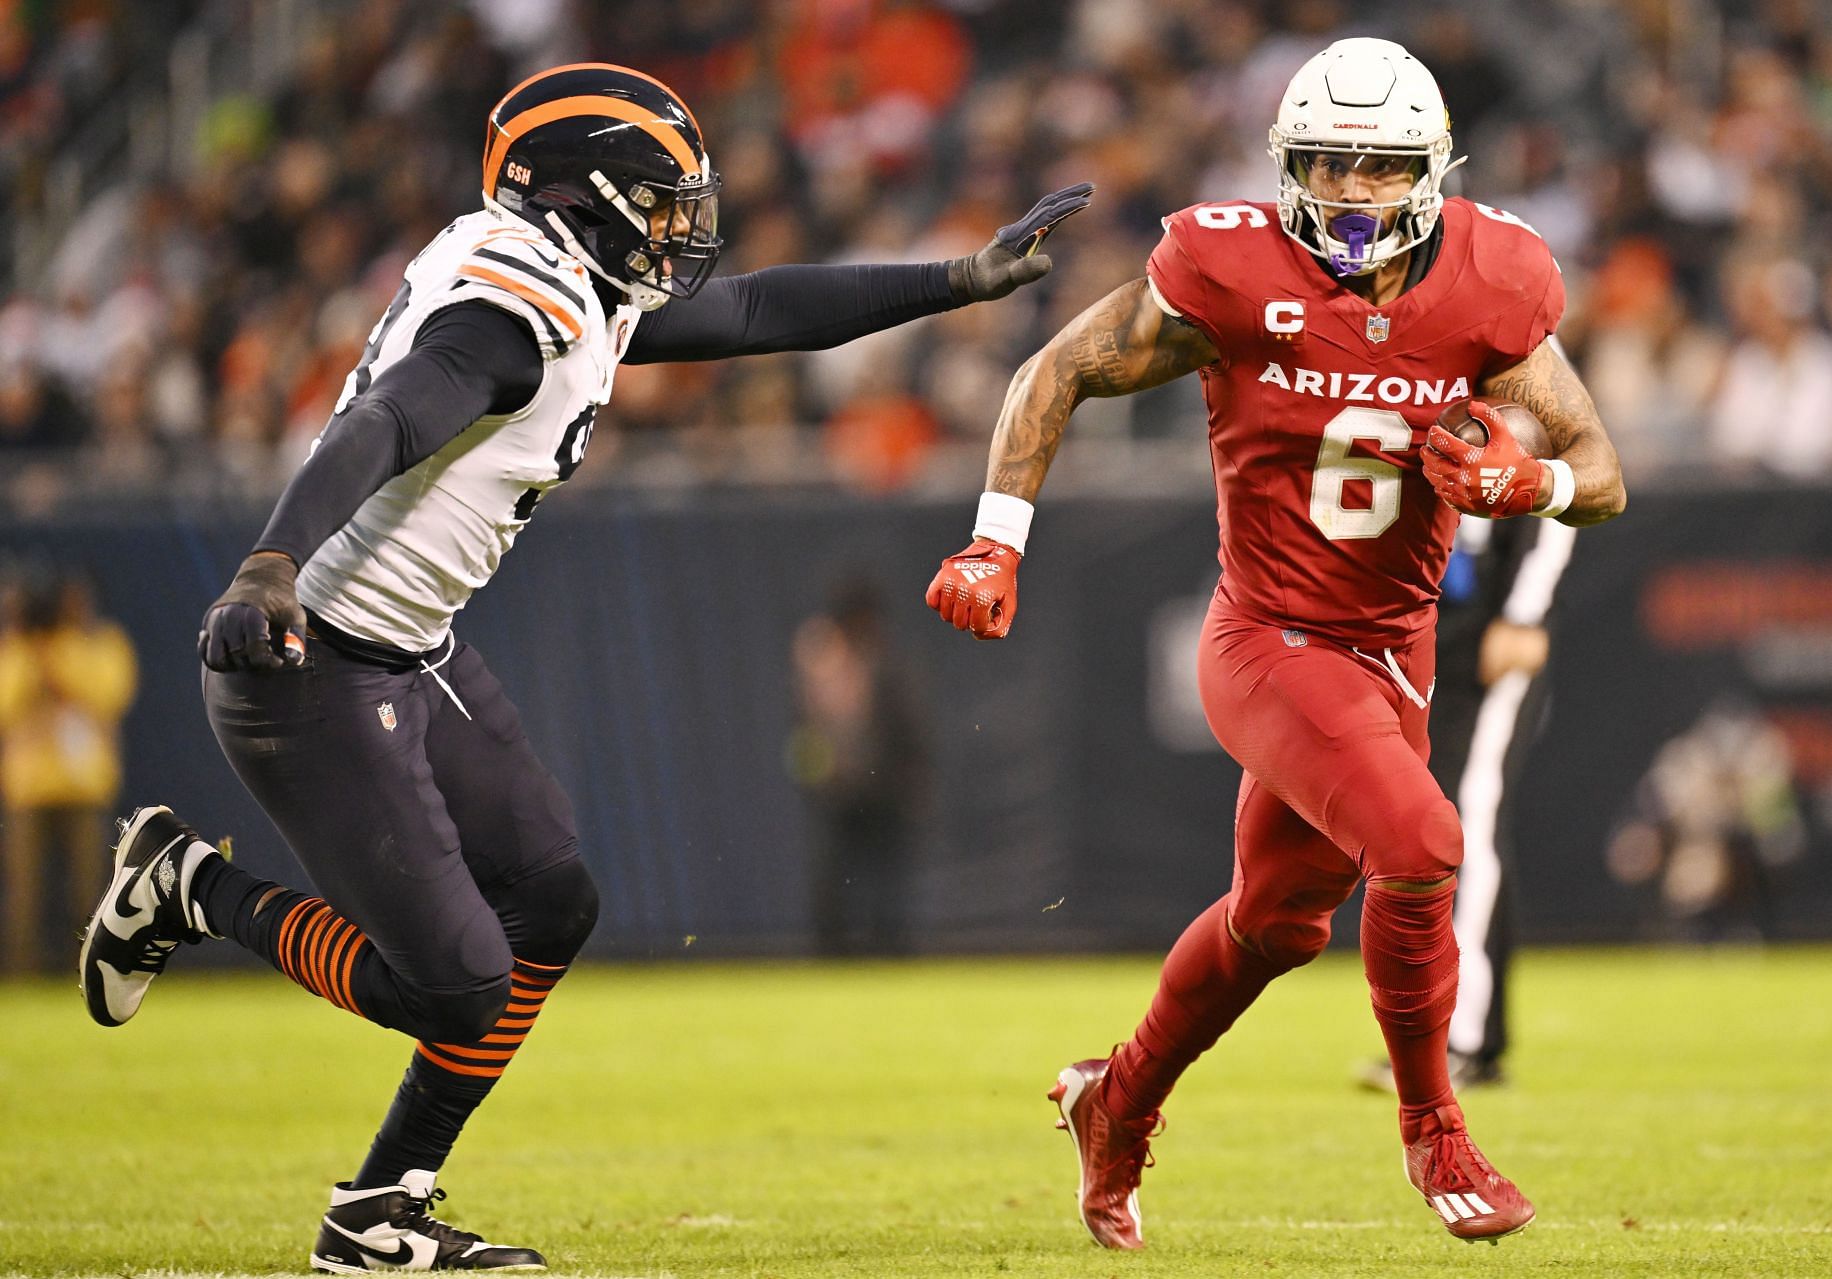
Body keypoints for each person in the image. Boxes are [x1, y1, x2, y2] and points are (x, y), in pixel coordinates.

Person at [78, 62, 1091, 1273]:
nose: (683, 227)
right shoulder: (511, 317)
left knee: (552, 902)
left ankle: (381, 1206)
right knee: (453, 985)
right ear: (583, 200)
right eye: (663, 201)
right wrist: (269, 563)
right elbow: (388, 419)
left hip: (406, 649)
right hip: (313, 660)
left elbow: (761, 311)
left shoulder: (575, 282)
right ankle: (190, 890)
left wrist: (960, 279)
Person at [926, 37, 1625, 1248]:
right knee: (1421, 839)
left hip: (1397, 649)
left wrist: (1531, 480)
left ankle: (1116, 1100)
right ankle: (1434, 1124)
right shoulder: (1232, 270)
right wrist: (998, 541)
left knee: (1280, 922)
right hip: (1269, 636)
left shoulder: (1494, 282)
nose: (1353, 187)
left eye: (1379, 164)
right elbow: (1058, 371)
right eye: (1328, 161)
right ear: (1287, 162)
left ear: (1433, 170)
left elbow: (1605, 475)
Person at [1358, 510, 1578, 1093]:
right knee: (1428, 824)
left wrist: (1525, 614)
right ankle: (1455, 1038)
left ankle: (1464, 1037)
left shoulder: (1525, 416)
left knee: (1468, 826)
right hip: (1428, 633)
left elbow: (1562, 483)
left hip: (1488, 630)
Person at [0, 566, 137, 973]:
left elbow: (108, 694)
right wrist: (26, 642)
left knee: (87, 891)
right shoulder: (16, 650)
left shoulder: (103, 644)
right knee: (25, 894)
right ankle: (23, 971)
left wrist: (54, 661)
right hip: (28, 787)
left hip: (84, 788)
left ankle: (91, 969)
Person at [789, 578, 927, 956]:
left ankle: (888, 948)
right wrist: (819, 779)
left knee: (886, 879)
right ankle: (831, 951)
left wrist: (910, 781)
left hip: (883, 788)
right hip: (840, 790)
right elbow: (807, 727)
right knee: (834, 876)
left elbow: (907, 727)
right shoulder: (822, 653)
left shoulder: (884, 659)